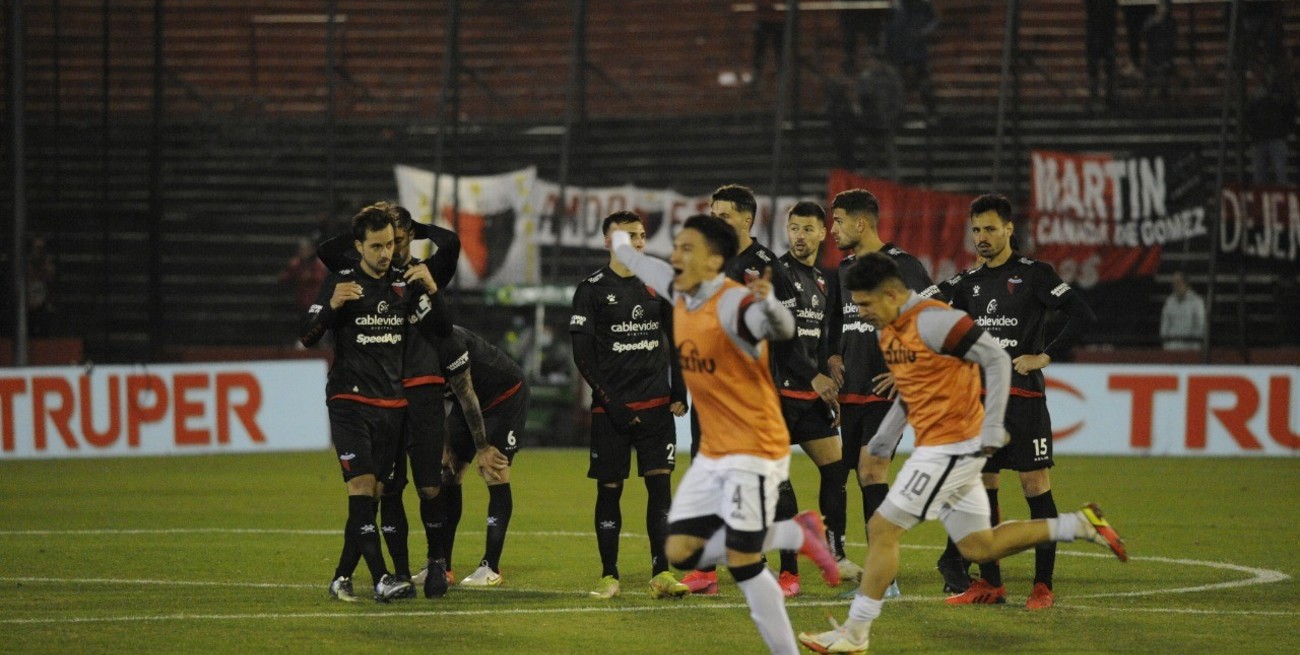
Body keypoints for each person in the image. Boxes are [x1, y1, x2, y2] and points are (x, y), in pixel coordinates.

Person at [797, 253, 1128, 654]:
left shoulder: (933, 320)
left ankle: (854, 635)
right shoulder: (889, 331)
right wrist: (884, 440)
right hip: (941, 447)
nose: (860, 314)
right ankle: (1080, 525)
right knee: (979, 546)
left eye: (865, 304)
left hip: (952, 446)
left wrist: (992, 426)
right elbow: (911, 390)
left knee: (883, 528)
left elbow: (995, 358)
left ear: (891, 294)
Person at [613, 214, 840, 654]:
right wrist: (621, 241)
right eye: (676, 247)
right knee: (681, 551)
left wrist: (770, 306)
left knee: (743, 562)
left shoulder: (735, 303)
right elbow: (636, 260)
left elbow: (781, 328)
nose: (676, 256)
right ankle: (797, 534)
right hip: (716, 452)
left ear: (715, 260)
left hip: (755, 447)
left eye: (687, 249)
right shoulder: (679, 288)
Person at [940, 193, 1097, 610]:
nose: (982, 237)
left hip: (1023, 400)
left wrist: (1044, 356)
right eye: (976, 230)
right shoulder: (967, 282)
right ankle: (991, 584)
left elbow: (1081, 314)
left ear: (1009, 229)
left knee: (1035, 486)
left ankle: (1042, 585)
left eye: (990, 229)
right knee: (984, 488)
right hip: (980, 402)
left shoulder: (1035, 274)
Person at [316, 204, 479, 600]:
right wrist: (370, 226)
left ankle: (435, 563)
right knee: (380, 490)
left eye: (397, 242)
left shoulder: (418, 276)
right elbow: (327, 254)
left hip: (416, 394)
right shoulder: (357, 278)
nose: (391, 251)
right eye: (383, 243)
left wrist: (421, 237)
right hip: (377, 396)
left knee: (428, 485)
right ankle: (393, 573)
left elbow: (442, 317)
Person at [678, 183, 814, 596]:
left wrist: (806, 377)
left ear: (747, 219)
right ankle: (706, 572)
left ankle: (789, 572)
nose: (716, 222)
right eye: (713, 215)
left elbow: (787, 334)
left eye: (724, 216)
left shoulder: (766, 266)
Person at [825, 188, 942, 599]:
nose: (833, 230)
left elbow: (938, 315)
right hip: (850, 391)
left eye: (838, 221)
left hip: (883, 391)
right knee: (852, 474)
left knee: (872, 473)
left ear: (861, 223)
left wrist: (909, 368)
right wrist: (833, 356)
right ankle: (865, 569)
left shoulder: (902, 265)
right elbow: (837, 320)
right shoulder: (845, 268)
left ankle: (884, 579)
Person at [570, 211, 690, 600]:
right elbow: (583, 356)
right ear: (608, 242)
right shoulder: (590, 290)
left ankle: (662, 573)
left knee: (661, 489)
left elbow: (677, 340)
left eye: (640, 236)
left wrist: (679, 390)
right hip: (612, 411)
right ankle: (609, 575)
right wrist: (612, 403)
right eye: (628, 236)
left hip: (656, 405)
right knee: (610, 490)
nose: (637, 242)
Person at [777, 201, 860, 596]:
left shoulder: (825, 281)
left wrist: (828, 381)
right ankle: (788, 571)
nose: (800, 236)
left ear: (822, 233)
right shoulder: (776, 274)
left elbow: (823, 339)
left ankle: (836, 555)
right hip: (776, 394)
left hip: (810, 395)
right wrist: (814, 378)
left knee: (836, 469)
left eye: (808, 229)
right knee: (779, 483)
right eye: (794, 228)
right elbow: (779, 340)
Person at [418, 325, 527, 589]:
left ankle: (491, 567)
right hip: (466, 402)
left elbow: (467, 396)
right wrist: (444, 443)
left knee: (494, 470)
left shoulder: (449, 343)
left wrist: (483, 448)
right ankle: (441, 566)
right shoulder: (413, 351)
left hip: (504, 398)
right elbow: (434, 401)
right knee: (449, 472)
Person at [882, 0, 939, 118]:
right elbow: (888, 30)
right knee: (899, 85)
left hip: (917, 51)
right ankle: (898, 115)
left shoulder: (923, 4)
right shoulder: (894, 8)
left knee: (924, 83)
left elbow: (934, 20)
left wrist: (923, 32)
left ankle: (931, 114)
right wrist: (886, 49)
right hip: (899, 52)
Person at [1084, 0, 1119, 108]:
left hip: (1105, 32)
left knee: (1108, 66)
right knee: (1095, 67)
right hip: (1097, 32)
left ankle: (1108, 95)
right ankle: (1096, 95)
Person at [1159, 270, 1205, 351]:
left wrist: (1194, 348)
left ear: (1186, 283)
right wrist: (1166, 347)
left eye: (1178, 283)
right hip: (1171, 348)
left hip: (1191, 349)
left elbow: (1200, 327)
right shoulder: (1169, 302)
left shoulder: (1197, 302)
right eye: (1173, 284)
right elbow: (1164, 326)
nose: (1175, 286)